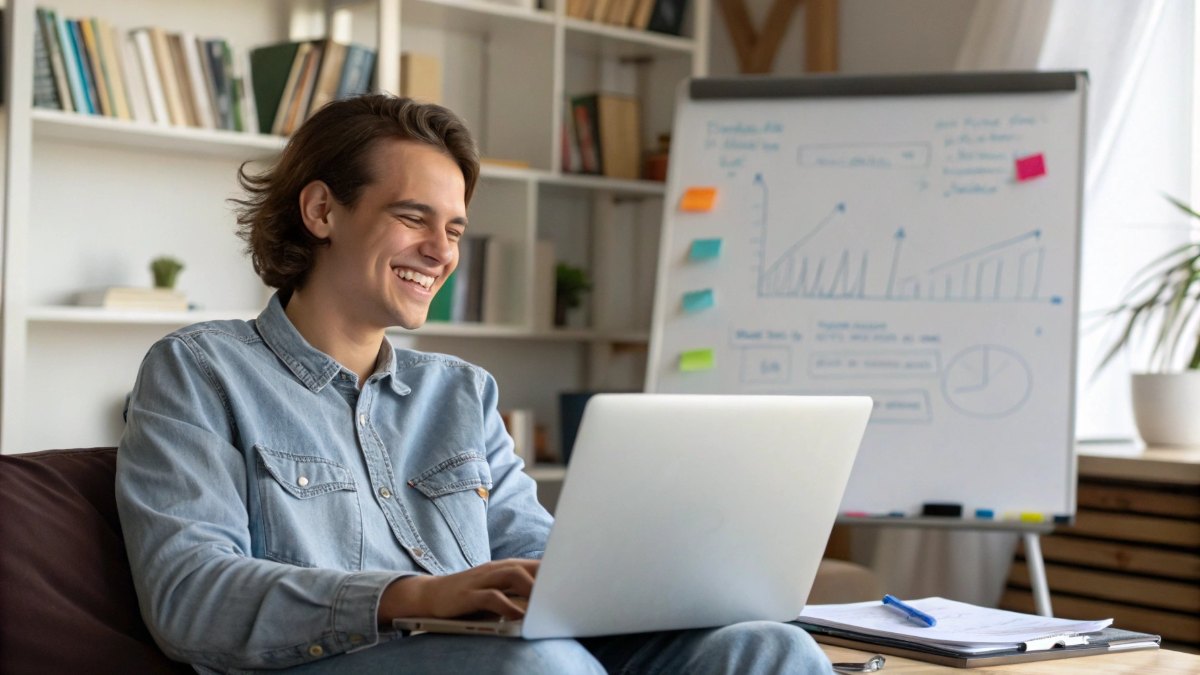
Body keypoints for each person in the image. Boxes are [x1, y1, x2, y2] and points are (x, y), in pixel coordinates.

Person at [115, 94, 833, 674]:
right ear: (323, 211)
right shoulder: (200, 369)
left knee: (770, 648)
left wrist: (656, 572)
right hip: (328, 660)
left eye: (455, 229)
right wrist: (409, 597)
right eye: (413, 217)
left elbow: (537, 557)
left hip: (500, 650)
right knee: (544, 667)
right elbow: (189, 593)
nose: (441, 251)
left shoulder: (461, 392)